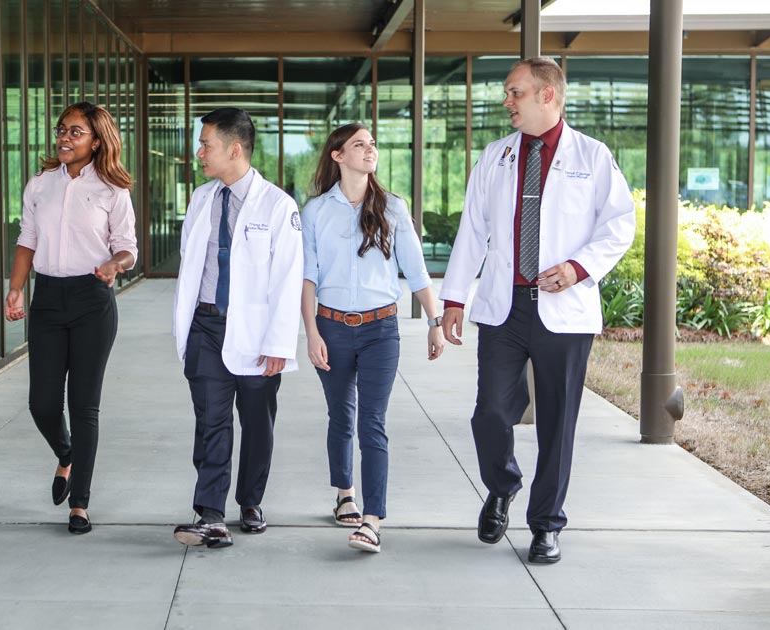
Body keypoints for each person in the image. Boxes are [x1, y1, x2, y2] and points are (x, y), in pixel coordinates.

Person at [440, 57, 634, 564]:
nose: (507, 102)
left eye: (515, 93)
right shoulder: (497, 155)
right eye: (508, 93)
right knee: (490, 414)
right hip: (504, 310)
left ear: (547, 96)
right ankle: (502, 485)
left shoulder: (591, 157)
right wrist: (455, 298)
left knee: (557, 422)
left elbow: (619, 226)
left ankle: (546, 524)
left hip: (563, 311)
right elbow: (472, 230)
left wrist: (578, 268)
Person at [300, 122, 446, 554]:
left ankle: (372, 519)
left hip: (381, 329)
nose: (370, 150)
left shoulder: (393, 208)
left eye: (373, 144)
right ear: (338, 156)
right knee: (340, 417)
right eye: (359, 144)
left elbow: (417, 272)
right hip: (330, 326)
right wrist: (310, 332)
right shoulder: (315, 212)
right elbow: (308, 277)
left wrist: (434, 322)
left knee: (372, 422)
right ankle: (344, 491)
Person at [172, 108, 302, 549]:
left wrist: (280, 343)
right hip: (207, 325)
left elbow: (288, 279)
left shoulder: (278, 206)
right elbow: (191, 268)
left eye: (205, 144)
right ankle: (210, 513)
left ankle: (249, 500)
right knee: (211, 421)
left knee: (257, 422)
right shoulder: (201, 199)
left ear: (234, 148)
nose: (199, 153)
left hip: (256, 332)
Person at [5, 102, 137, 535]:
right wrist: (16, 288)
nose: (65, 138)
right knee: (41, 403)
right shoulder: (41, 184)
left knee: (84, 405)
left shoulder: (112, 190)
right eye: (62, 130)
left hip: (91, 300)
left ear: (97, 141)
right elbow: (28, 239)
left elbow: (128, 247)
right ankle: (67, 454)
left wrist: (114, 264)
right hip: (47, 298)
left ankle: (79, 504)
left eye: (76, 132)